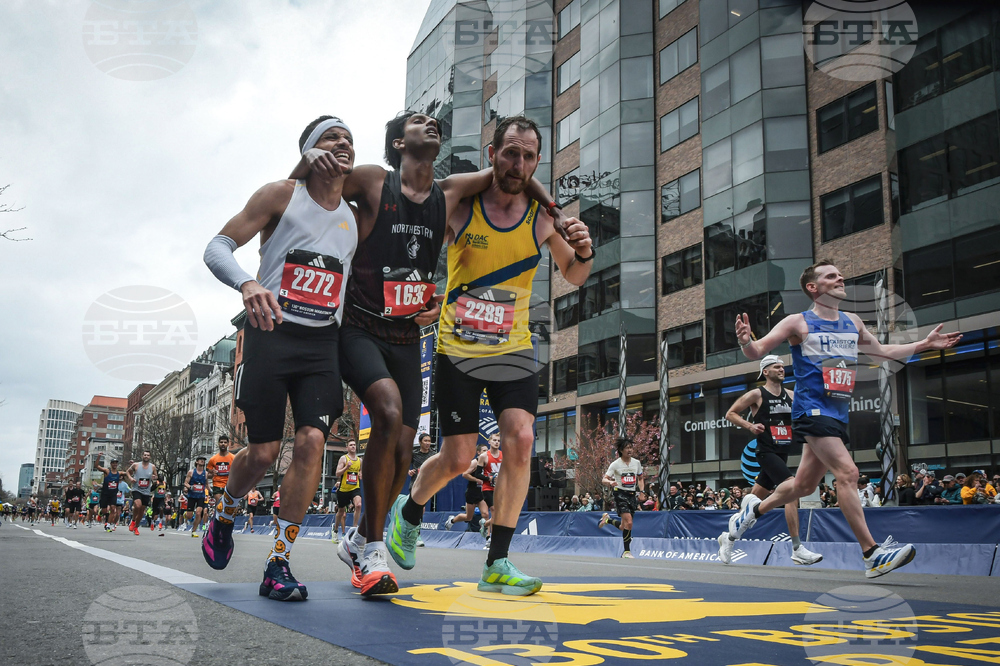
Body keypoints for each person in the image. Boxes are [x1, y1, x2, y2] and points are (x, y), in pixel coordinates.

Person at [294, 111, 553, 597]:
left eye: (434, 121)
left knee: (403, 445)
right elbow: (311, 193)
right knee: (389, 415)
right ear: (397, 144)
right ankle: (371, 551)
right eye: (417, 120)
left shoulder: (449, 190)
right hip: (358, 326)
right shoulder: (374, 179)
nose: (430, 122)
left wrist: (547, 199)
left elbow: (511, 174)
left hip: (407, 336)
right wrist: (305, 166)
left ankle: (369, 534)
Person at [385, 116, 594, 596]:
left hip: (515, 347)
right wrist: (420, 296)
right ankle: (410, 510)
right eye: (510, 153)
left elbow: (575, 274)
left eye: (528, 156)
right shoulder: (462, 207)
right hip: (457, 348)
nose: (518, 163)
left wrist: (584, 251)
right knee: (458, 457)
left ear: (538, 161)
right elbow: (419, 248)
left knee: (521, 438)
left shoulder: (543, 218)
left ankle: (497, 561)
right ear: (492, 153)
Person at [200, 116, 359, 602]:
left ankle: (279, 563)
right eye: (332, 137)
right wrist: (247, 283)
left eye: (350, 139)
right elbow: (217, 246)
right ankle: (225, 513)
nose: (343, 144)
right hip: (271, 333)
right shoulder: (280, 195)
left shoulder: (354, 216)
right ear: (309, 151)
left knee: (312, 440)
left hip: (321, 345)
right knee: (266, 451)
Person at [723, 260, 961, 577]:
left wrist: (924, 344)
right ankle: (871, 554)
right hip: (811, 410)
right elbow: (758, 351)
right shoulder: (798, 322)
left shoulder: (853, 322)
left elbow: (882, 353)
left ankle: (751, 513)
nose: (840, 278)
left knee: (804, 486)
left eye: (839, 274)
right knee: (848, 473)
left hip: (837, 413)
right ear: (813, 287)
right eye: (831, 276)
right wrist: (744, 340)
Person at [721, 355, 823, 565]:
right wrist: (750, 426)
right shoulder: (757, 394)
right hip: (765, 452)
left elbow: (808, 415)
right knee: (791, 491)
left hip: (782, 452)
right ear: (765, 371)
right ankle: (797, 548)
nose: (781, 369)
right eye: (776, 367)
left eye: (783, 367)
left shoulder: (792, 395)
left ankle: (728, 538)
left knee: (750, 509)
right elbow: (730, 413)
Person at [599, 438, 644, 558]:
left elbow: (640, 478)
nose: (630, 450)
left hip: (632, 494)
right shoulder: (615, 464)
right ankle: (627, 552)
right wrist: (610, 482)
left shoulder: (637, 463)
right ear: (621, 450)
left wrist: (642, 491)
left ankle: (607, 520)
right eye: (627, 448)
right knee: (629, 521)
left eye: (631, 447)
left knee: (624, 526)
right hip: (620, 494)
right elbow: (604, 479)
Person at [444, 443, 490, 532]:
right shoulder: (475, 462)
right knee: (468, 517)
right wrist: (477, 480)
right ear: (478, 452)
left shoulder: (487, 462)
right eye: (484, 450)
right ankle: (452, 520)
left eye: (487, 450)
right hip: (472, 492)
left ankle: (488, 538)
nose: (486, 452)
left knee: (485, 514)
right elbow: (464, 474)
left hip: (482, 492)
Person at [333, 440, 362, 545]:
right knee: (341, 512)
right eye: (351, 445)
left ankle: (354, 529)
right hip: (344, 489)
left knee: (358, 505)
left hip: (355, 487)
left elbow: (360, 472)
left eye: (354, 445)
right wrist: (346, 467)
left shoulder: (360, 460)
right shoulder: (344, 458)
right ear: (347, 448)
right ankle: (335, 529)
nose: (353, 446)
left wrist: (360, 475)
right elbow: (337, 473)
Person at [124, 451, 156, 536]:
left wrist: (154, 478)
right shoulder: (136, 465)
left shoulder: (152, 467)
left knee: (142, 510)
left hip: (146, 491)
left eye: (148, 455)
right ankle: (133, 521)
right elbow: (127, 472)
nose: (146, 456)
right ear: (142, 456)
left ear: (150, 457)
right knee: (137, 505)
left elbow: (156, 477)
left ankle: (136, 527)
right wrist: (130, 478)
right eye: (145, 455)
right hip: (136, 489)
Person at [94, 456, 123, 531]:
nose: (115, 464)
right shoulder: (107, 471)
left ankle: (108, 525)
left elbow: (129, 473)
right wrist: (98, 457)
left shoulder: (119, 473)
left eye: (116, 463)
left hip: (113, 494)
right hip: (105, 493)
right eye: (113, 463)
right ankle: (104, 515)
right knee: (104, 510)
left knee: (113, 509)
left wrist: (132, 465)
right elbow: (97, 466)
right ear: (111, 464)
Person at [207, 436, 236, 511]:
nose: (223, 444)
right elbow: (208, 475)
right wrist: (212, 473)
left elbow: (238, 471)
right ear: (218, 444)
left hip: (229, 485)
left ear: (228, 444)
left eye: (225, 442)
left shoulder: (233, 457)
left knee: (229, 507)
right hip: (217, 485)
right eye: (221, 442)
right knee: (220, 505)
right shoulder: (213, 459)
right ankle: (216, 521)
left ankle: (227, 521)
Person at [184, 456, 209, 538]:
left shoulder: (205, 473)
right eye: (201, 460)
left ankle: (194, 531)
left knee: (198, 513)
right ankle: (186, 514)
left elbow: (207, 485)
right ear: (197, 462)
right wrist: (190, 487)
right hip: (192, 495)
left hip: (201, 496)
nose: (202, 461)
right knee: (189, 516)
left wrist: (211, 491)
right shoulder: (191, 472)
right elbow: (185, 483)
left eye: (203, 460)